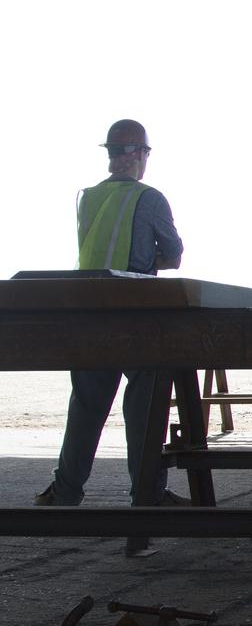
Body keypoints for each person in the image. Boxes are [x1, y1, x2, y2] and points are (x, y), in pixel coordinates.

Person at [35, 119, 187, 506]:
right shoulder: (148, 198)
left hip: (88, 313)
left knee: (86, 406)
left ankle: (65, 493)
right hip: (133, 314)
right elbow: (173, 255)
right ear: (140, 154)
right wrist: (147, 261)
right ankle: (147, 495)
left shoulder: (87, 198)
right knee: (144, 407)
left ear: (110, 156)